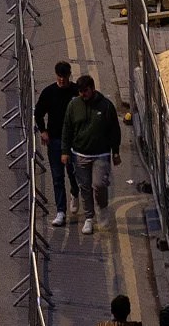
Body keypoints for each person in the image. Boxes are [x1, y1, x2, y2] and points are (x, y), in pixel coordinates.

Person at [61, 73, 121, 235]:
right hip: (80, 154)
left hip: (101, 154)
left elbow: (114, 130)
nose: (83, 94)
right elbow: (67, 129)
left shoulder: (106, 106)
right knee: (85, 188)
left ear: (93, 89)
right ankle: (89, 218)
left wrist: (115, 152)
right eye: (80, 92)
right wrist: (65, 151)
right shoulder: (73, 106)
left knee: (99, 185)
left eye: (85, 91)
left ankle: (102, 209)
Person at [33, 59, 79, 225]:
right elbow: (38, 113)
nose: (62, 80)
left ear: (69, 76)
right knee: (57, 176)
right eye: (59, 77)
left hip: (73, 141)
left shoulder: (76, 91)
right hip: (55, 139)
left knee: (73, 172)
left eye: (64, 77)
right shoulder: (49, 92)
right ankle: (61, 211)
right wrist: (43, 130)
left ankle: (75, 191)